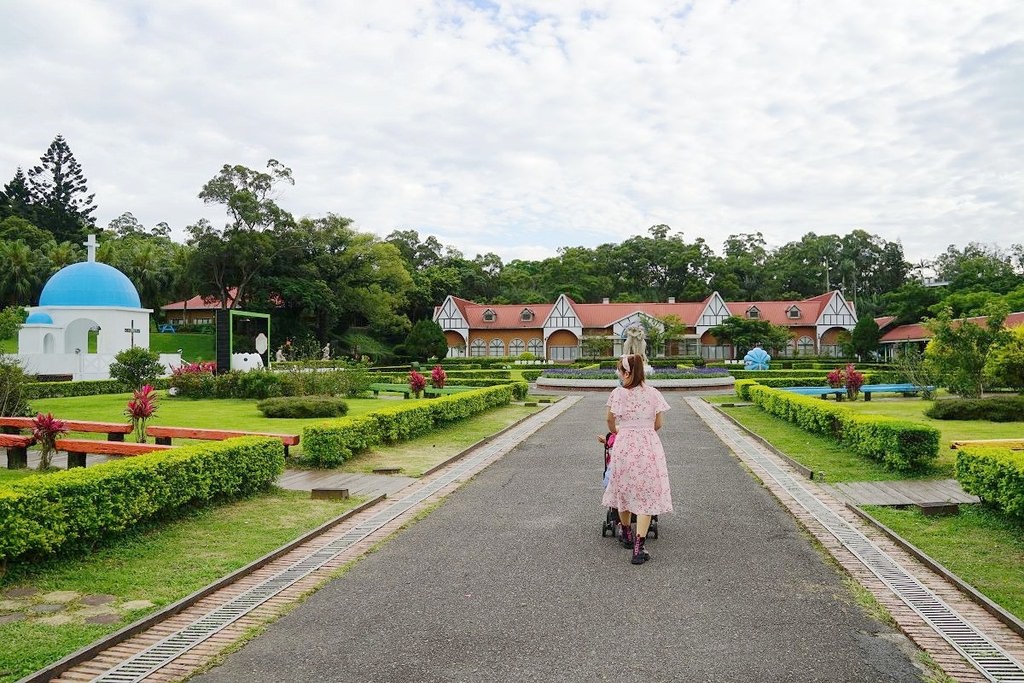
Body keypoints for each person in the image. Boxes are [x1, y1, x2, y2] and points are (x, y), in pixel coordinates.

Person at [601, 352, 673, 565]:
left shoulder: (617, 394)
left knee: (623, 489)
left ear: (626, 372)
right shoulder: (653, 394)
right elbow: (658, 423)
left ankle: (626, 533)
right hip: (647, 444)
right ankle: (639, 548)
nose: (620, 374)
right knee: (646, 495)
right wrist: (644, 429)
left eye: (621, 371)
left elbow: (609, 419)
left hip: (624, 444)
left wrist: (618, 431)